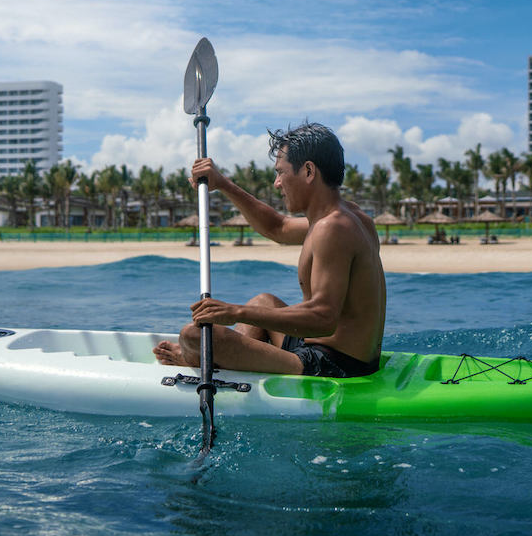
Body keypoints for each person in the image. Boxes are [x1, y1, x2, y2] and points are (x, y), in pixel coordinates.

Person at [153, 122, 386, 378]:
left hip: (334, 364)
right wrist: (223, 184)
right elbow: (277, 226)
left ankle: (199, 359)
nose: (277, 183)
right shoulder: (348, 216)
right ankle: (221, 359)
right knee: (263, 301)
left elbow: (323, 317)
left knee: (193, 336)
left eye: (281, 173)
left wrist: (235, 312)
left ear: (308, 171)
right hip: (329, 349)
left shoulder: (332, 228)